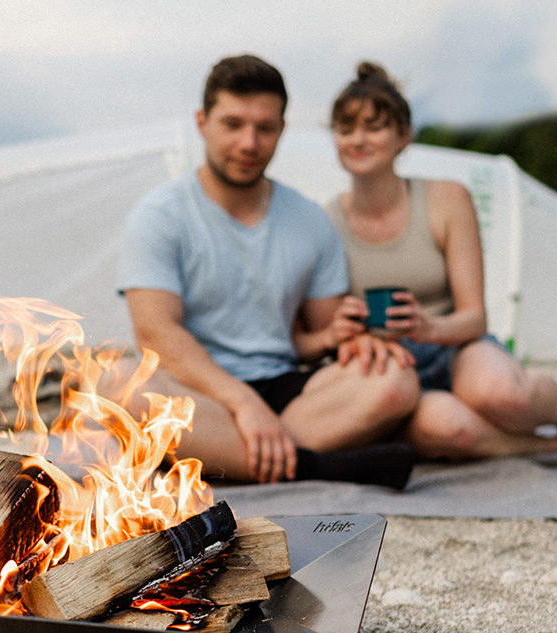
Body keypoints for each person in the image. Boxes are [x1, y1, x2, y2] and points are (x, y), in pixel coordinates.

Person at [117, 54, 420, 489]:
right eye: (233, 124)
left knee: (396, 380)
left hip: (286, 389)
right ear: (202, 123)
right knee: (116, 382)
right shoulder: (160, 214)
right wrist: (242, 403)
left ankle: (228, 455)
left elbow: (327, 333)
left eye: (265, 128)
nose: (249, 143)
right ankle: (314, 465)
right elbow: (156, 334)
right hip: (197, 388)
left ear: (281, 129)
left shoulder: (309, 219)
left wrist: (356, 339)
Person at [323, 62, 557, 459]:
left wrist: (428, 327)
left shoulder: (447, 199)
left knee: (503, 397)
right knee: (446, 429)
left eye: (374, 127)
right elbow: (324, 326)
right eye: (346, 129)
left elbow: (475, 317)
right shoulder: (326, 222)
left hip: (456, 343)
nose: (358, 139)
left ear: (403, 136)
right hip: (390, 367)